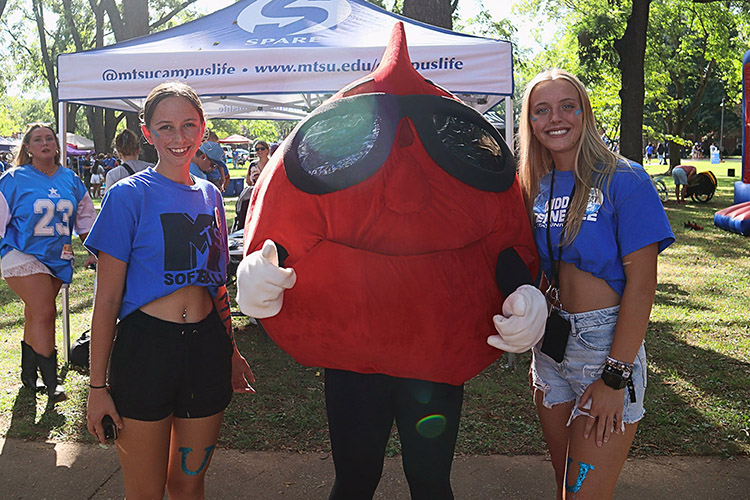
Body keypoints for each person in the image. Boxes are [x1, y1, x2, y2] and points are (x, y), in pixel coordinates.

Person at [84, 81, 255, 499]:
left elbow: (216, 285)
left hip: (206, 350)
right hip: (145, 351)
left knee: (188, 483)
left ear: (202, 128)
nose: (178, 138)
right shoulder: (127, 195)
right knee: (145, 491)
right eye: (165, 128)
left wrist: (230, 350)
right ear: (147, 133)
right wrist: (97, 388)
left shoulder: (213, 197)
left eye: (188, 125)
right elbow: (106, 300)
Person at [517, 69, 674, 499]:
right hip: (551, 345)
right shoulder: (535, 183)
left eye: (568, 105)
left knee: (584, 495)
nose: (555, 118)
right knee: (564, 487)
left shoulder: (625, 179)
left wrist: (615, 377)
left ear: (585, 113)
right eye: (541, 110)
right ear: (530, 122)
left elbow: (642, 286)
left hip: (604, 348)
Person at [0, 123, 97, 403]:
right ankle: (52, 381)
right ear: (27, 148)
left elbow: (85, 219)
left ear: (56, 144)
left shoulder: (70, 179)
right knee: (45, 311)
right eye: (37, 139)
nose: (45, 143)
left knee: (35, 314)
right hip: (21, 252)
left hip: (58, 256)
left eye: (49, 138)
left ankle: (28, 375)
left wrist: (93, 250)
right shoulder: (13, 178)